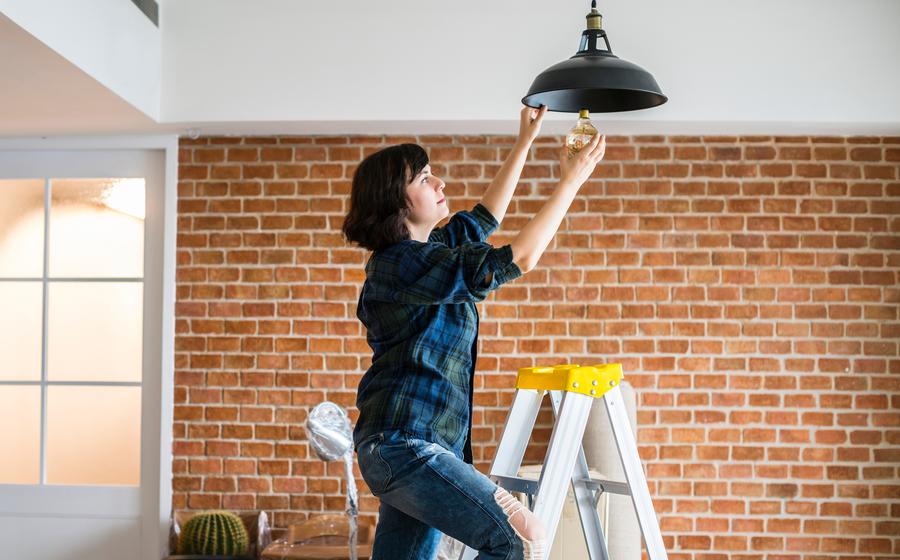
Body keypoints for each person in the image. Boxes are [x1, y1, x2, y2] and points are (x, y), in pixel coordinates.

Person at [341, 105, 607, 560]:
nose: (440, 183)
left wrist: (524, 142)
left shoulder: (433, 248)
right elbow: (519, 258)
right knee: (518, 536)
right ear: (396, 201)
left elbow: (486, 217)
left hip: (414, 446)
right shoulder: (398, 264)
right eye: (425, 178)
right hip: (405, 445)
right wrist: (572, 180)